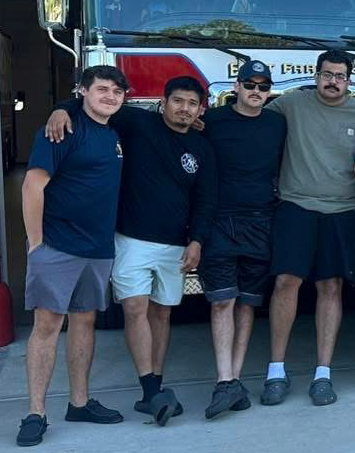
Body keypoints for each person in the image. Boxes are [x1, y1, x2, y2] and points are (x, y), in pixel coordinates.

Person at [45, 75, 217, 425]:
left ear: (200, 109)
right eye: (178, 101)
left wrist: (197, 239)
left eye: (192, 104)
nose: (184, 109)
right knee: (135, 306)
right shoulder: (138, 122)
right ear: (163, 102)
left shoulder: (203, 148)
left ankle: (152, 388)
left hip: (175, 245)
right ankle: (152, 390)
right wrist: (60, 110)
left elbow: (206, 199)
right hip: (130, 238)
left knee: (162, 313)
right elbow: (94, 106)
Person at [261, 50, 355, 407]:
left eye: (340, 76)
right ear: (316, 76)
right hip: (295, 206)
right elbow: (249, 119)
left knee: (331, 287)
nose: (333, 81)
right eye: (327, 74)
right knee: (286, 282)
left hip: (345, 211)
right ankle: (276, 372)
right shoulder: (290, 104)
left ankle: (322, 375)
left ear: (350, 80)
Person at [17, 66, 129, 447]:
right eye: (102, 89)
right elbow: (33, 184)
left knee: (85, 323)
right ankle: (36, 413)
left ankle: (79, 403)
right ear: (83, 91)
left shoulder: (114, 134)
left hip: (97, 249)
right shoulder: (61, 130)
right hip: (58, 246)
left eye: (117, 91)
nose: (110, 96)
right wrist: (36, 244)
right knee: (47, 327)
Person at [197, 61, 287, 418]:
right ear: (236, 86)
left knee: (248, 303)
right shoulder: (213, 122)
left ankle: (233, 379)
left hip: (263, 220)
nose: (256, 91)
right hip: (220, 220)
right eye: (249, 84)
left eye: (263, 86)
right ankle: (224, 381)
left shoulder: (278, 124)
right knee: (222, 301)